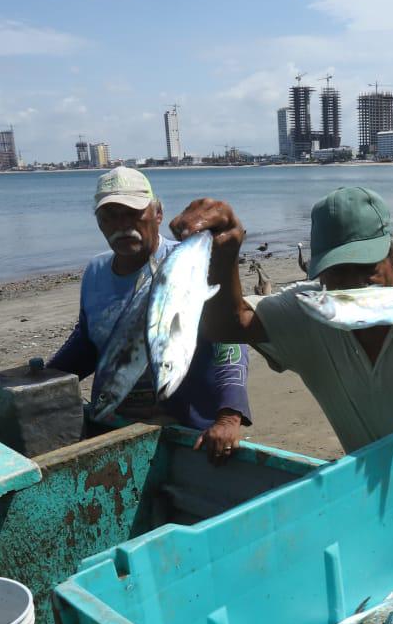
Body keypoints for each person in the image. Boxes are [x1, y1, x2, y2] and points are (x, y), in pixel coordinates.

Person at [170, 187, 393, 452]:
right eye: (337, 271)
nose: (353, 283)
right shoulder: (311, 307)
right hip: (366, 481)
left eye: (366, 267)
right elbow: (228, 325)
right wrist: (225, 254)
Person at [48, 167, 251, 463]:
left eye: (132, 214)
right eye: (110, 216)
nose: (122, 225)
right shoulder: (94, 272)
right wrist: (45, 378)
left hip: (187, 430)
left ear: (157, 214)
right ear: (99, 223)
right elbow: (89, 341)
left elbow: (230, 341)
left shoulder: (189, 264)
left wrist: (229, 415)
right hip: (117, 425)